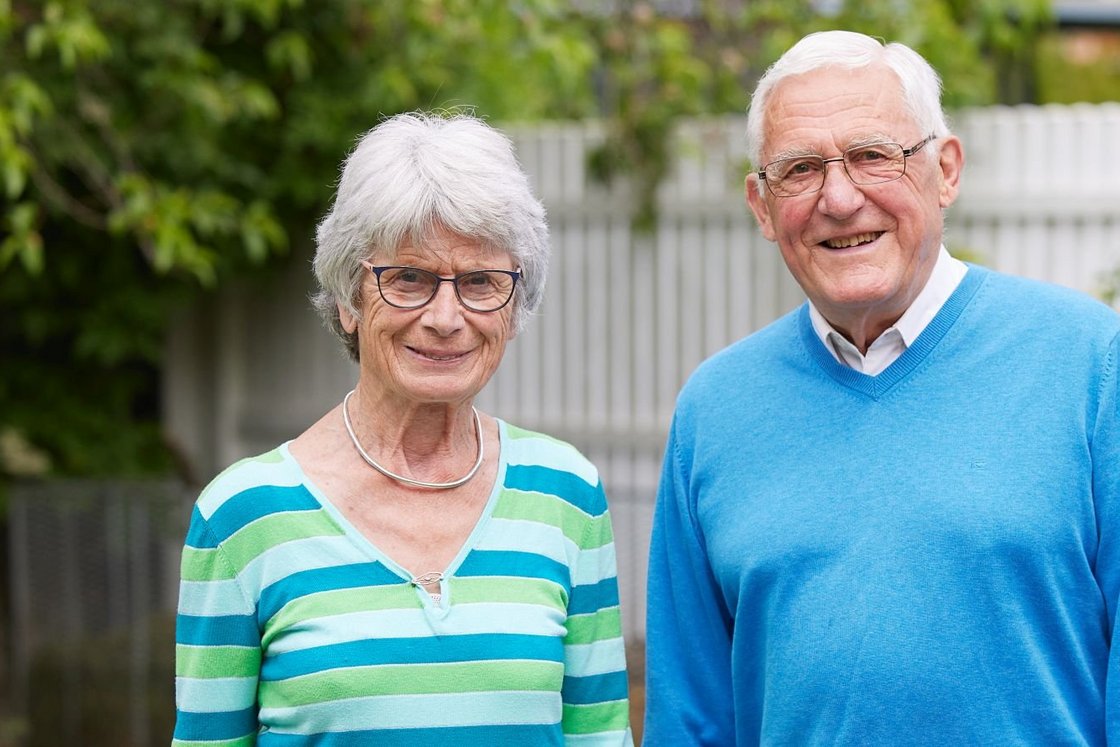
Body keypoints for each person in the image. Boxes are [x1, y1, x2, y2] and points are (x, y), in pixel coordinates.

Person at [643, 30, 1119, 745]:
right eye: (799, 169)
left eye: (873, 155)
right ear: (762, 206)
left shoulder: (1091, 362)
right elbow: (691, 714)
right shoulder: (715, 409)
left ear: (946, 169)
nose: (839, 197)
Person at [173, 111, 632, 745]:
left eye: (480, 282)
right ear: (347, 297)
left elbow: (599, 736)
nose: (446, 317)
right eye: (408, 278)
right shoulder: (242, 516)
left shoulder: (566, 494)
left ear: (516, 307)